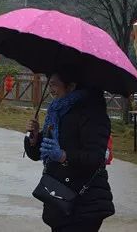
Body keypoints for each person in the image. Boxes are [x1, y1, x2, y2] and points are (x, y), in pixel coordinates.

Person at [24, 71, 115, 232]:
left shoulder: (92, 113)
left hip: (85, 202)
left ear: (71, 86)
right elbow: (38, 154)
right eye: (49, 83)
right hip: (59, 197)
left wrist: (64, 156)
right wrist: (34, 138)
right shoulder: (57, 111)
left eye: (54, 84)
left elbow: (96, 157)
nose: (50, 89)